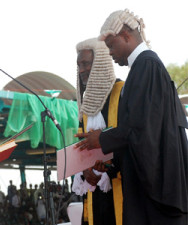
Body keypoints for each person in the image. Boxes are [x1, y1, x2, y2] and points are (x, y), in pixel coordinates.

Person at [76, 9, 188, 225]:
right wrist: (110, 166)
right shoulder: (143, 67)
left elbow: (141, 129)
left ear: (126, 35)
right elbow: (138, 134)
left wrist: (102, 139)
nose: (109, 53)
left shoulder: (147, 66)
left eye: (111, 45)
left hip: (157, 197)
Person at [72, 38, 123, 225]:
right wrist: (84, 169)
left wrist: (108, 168)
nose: (81, 70)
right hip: (94, 190)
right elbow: (80, 145)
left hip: (122, 186)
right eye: (78, 65)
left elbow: (131, 137)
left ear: (101, 63)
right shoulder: (86, 105)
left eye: (85, 63)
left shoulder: (123, 92)